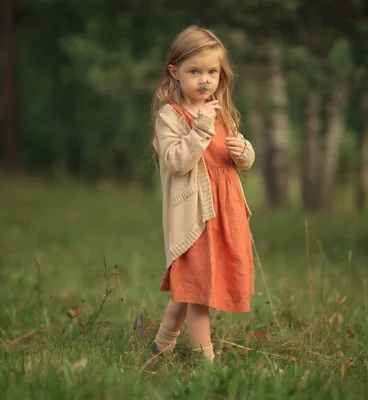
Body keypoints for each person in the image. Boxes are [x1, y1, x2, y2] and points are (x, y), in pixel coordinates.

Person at [150, 25, 256, 363]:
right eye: (195, 71)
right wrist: (200, 127)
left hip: (226, 214)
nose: (204, 80)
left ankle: (159, 348)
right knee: (196, 290)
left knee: (189, 286)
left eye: (212, 72)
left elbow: (239, 161)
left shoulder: (219, 110)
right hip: (195, 217)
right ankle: (206, 364)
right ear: (175, 72)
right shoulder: (172, 116)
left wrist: (243, 151)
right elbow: (177, 161)